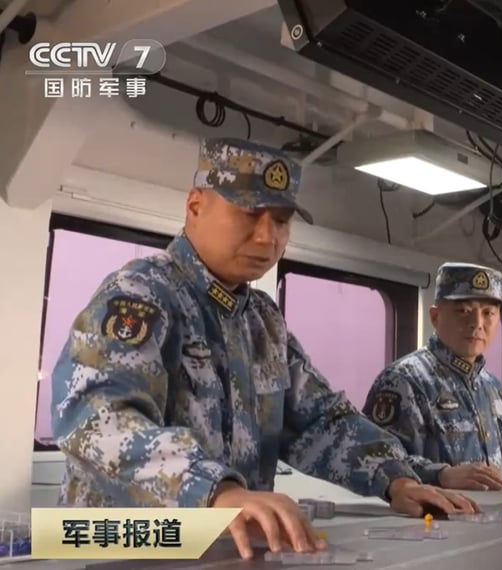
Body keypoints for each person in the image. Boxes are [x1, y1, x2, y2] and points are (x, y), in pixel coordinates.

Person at [49, 137, 477, 561]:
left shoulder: (261, 320)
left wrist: (396, 479)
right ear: (195, 205)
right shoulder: (142, 293)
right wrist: (216, 490)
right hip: (115, 549)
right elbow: (97, 419)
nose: (267, 237)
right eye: (250, 214)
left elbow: (320, 421)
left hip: (222, 550)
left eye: (282, 220)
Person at [363, 262, 502, 491]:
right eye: (463, 311)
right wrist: (442, 475)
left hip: (495, 509)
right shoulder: (404, 380)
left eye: (488, 313)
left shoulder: (491, 386)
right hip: (437, 512)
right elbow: (377, 460)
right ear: (435, 316)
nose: (477, 324)